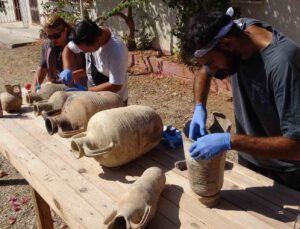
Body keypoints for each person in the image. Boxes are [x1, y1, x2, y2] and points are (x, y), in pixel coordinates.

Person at [182, 8, 300, 191]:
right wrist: (199, 107)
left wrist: (230, 141)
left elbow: (296, 147)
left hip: (288, 173)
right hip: (250, 157)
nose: (210, 69)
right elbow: (204, 72)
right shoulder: (236, 32)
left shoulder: (283, 65)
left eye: (210, 62)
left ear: (227, 44)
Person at [60, 19, 128, 105]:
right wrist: (67, 69)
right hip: (93, 95)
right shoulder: (89, 34)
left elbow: (116, 85)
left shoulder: (116, 51)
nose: (83, 52)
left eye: (86, 50)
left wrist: (86, 91)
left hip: (113, 101)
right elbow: (68, 49)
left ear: (96, 42)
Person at [31, 15, 86, 93]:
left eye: (56, 36)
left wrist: (72, 75)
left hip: (79, 87)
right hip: (57, 87)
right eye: (49, 36)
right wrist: (34, 88)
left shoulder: (78, 44)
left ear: (65, 30)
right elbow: (42, 68)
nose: (53, 40)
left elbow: (89, 69)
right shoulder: (47, 46)